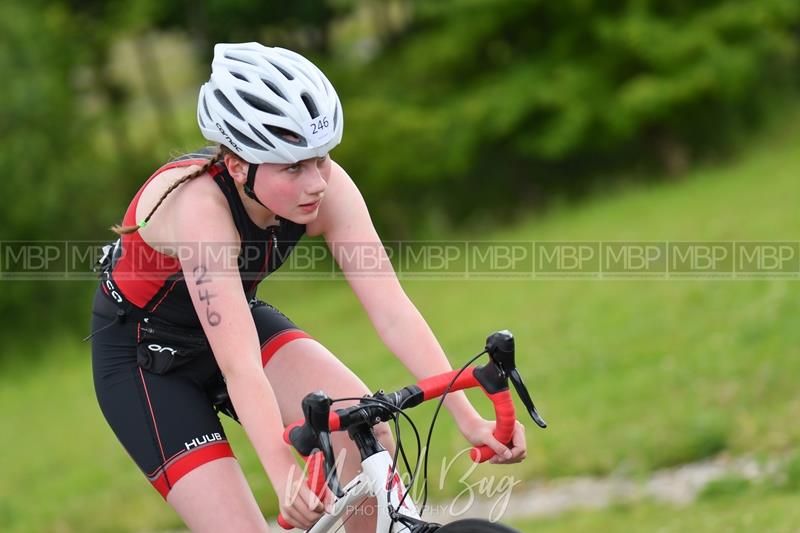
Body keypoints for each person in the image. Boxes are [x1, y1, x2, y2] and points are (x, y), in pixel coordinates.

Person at [89, 42, 527, 532]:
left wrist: (468, 419)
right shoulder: (200, 212)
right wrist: (284, 478)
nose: (316, 182)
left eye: (320, 158)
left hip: (236, 323)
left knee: (369, 436)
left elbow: (392, 310)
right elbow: (239, 366)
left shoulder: (327, 188)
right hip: (146, 362)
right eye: (292, 167)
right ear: (238, 166)